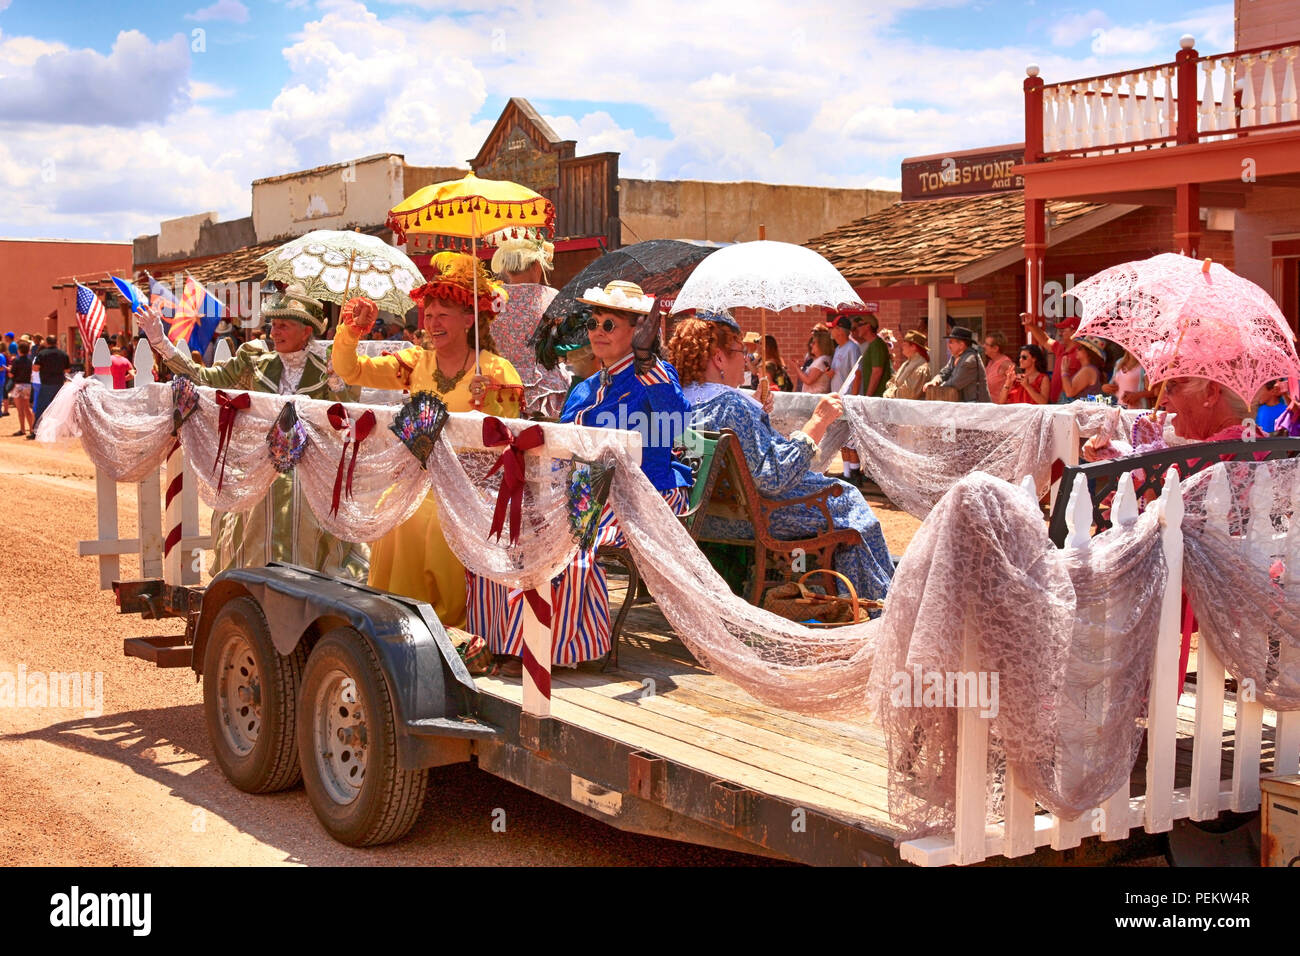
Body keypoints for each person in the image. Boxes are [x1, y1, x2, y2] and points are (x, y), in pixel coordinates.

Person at [468, 281, 693, 671]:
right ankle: (505, 639)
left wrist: (647, 361)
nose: (597, 332)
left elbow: (678, 425)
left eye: (610, 324)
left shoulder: (656, 375)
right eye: (594, 324)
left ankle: (554, 647)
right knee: (504, 523)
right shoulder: (585, 387)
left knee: (566, 538)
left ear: (639, 331)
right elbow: (565, 451)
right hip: (584, 491)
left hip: (647, 494)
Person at [334, 252, 522, 626]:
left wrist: (493, 398)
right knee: (394, 512)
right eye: (429, 315)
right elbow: (350, 370)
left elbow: (510, 428)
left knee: (434, 524)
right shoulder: (415, 363)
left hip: (471, 485)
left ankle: (449, 626)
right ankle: (395, 618)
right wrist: (352, 331)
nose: (433, 323)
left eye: (443, 316)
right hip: (417, 479)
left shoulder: (495, 368)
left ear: (469, 320)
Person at [140, 284, 368, 581]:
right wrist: (161, 343)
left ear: (306, 332)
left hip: (311, 470)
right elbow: (205, 380)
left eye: (285, 325)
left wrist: (338, 382)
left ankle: (307, 586)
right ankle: (256, 584)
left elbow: (347, 418)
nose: (275, 331)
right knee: (257, 513)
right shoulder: (255, 360)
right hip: (261, 466)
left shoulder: (327, 368)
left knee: (301, 505)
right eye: (273, 324)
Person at [668, 313, 893, 605]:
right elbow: (773, 479)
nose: (746, 358)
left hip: (704, 516)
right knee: (848, 500)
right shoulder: (731, 405)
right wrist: (817, 423)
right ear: (719, 359)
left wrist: (756, 413)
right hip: (759, 516)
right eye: (741, 351)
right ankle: (874, 606)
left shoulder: (676, 401)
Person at [490, 238, 569, 418]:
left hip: (500, 385)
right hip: (544, 386)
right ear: (536, 265)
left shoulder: (493, 298)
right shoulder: (550, 297)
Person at [1022, 311, 1083, 404]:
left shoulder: (1081, 353)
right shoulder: (1061, 348)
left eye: (1063, 331)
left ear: (1074, 332)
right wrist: (1031, 325)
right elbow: (1045, 340)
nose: (1060, 334)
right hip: (1055, 403)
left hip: (1070, 404)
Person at [926, 327, 989, 402]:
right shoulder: (956, 356)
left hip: (977, 406)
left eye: (951, 342)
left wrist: (936, 388)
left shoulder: (969, 361)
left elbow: (954, 383)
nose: (948, 345)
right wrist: (935, 381)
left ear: (961, 345)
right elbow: (945, 372)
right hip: (967, 405)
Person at [30, 335, 70, 434]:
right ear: (56, 342)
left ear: (47, 343)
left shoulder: (42, 354)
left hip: (46, 384)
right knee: (58, 408)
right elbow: (67, 370)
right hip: (59, 384)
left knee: (41, 408)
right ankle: (58, 431)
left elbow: (35, 368)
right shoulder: (63, 354)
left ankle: (37, 430)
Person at [849, 314, 892, 398]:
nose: (857, 328)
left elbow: (877, 372)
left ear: (868, 326)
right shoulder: (872, 344)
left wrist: (868, 397)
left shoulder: (877, 345)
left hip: (877, 397)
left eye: (860, 325)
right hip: (874, 397)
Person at [883, 330, 929, 400]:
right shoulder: (906, 363)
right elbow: (893, 382)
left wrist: (892, 393)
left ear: (913, 347)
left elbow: (910, 392)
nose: (902, 346)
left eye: (904, 344)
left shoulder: (921, 366)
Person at [1060, 335, 1106, 401]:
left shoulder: (1087, 370)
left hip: (1083, 410)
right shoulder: (1090, 369)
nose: (1076, 350)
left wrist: (1064, 372)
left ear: (1089, 353)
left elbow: (1069, 392)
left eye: (1080, 348)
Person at [828, 315, 861, 394]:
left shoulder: (852, 348)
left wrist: (853, 399)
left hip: (847, 399)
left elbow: (857, 374)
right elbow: (836, 372)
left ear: (840, 331)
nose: (830, 331)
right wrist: (830, 373)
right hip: (837, 396)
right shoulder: (837, 349)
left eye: (833, 328)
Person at [982, 330, 1014, 404]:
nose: (984, 346)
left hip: (1003, 409)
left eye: (987, 344)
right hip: (991, 408)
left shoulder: (1006, 364)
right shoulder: (990, 362)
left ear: (995, 348)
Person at [9, 341, 33, 436]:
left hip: (18, 385)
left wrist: (9, 370)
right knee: (27, 408)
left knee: (20, 410)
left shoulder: (17, 361)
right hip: (27, 385)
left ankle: (22, 429)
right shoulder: (30, 361)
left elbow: (11, 374)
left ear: (19, 350)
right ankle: (31, 428)